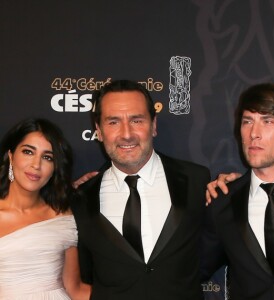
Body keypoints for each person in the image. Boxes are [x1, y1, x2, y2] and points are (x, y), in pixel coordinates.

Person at [71, 79, 211, 300]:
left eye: (136, 120)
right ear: (98, 131)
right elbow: (86, 273)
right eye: (113, 122)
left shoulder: (197, 180)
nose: (127, 134)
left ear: (154, 125)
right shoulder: (80, 199)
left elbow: (214, 251)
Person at [200, 82, 274, 299]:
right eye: (247, 121)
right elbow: (193, 270)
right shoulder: (222, 202)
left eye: (267, 121)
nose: (254, 133)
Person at [0, 118, 91, 299]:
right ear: (11, 156)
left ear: (54, 167)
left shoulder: (63, 216)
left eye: (47, 157)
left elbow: (75, 289)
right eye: (28, 152)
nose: (36, 165)